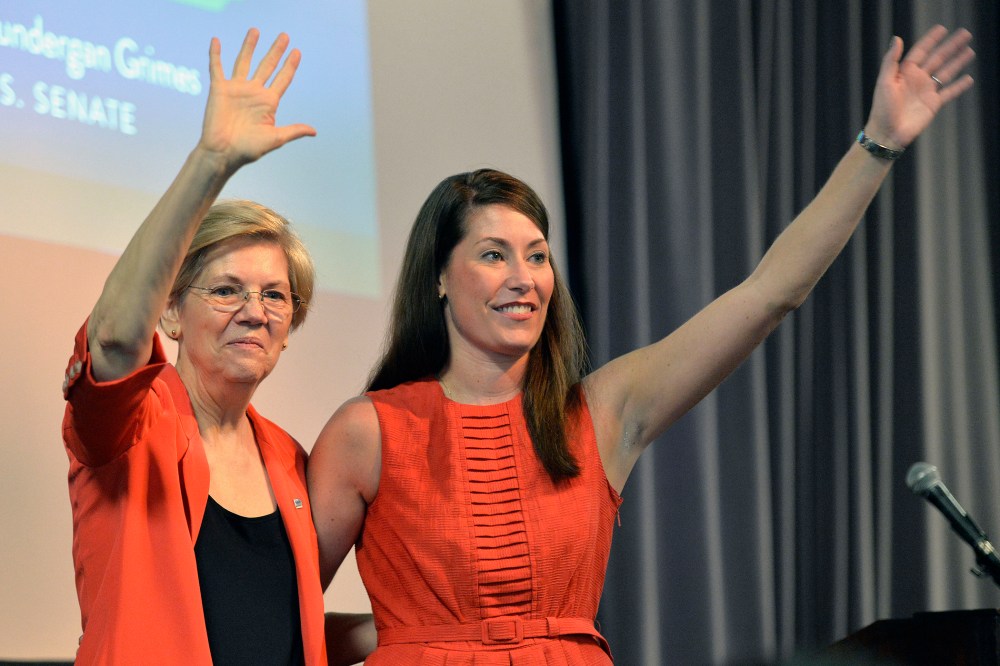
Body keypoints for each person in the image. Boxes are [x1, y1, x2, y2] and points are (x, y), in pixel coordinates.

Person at [307, 25, 975, 664]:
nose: (523, 279)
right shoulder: (368, 431)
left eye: (538, 257)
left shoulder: (601, 412)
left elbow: (769, 295)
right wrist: (395, 637)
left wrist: (877, 144)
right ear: (440, 279)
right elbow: (281, 616)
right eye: (493, 255)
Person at [61, 29, 371, 665]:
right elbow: (115, 336)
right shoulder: (133, 428)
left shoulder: (288, 459)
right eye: (227, 290)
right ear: (171, 312)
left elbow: (279, 623)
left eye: (276, 297)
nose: (254, 313)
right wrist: (212, 161)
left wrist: (424, 628)